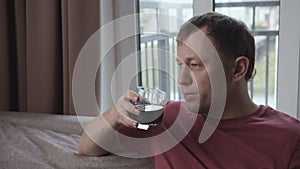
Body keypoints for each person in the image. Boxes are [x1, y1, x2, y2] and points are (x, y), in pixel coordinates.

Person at [78, 12, 300, 168]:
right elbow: (87, 147)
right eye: (180, 65)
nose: (181, 79)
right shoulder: (167, 118)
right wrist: (116, 114)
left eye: (195, 65)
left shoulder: (290, 138)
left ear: (238, 69)